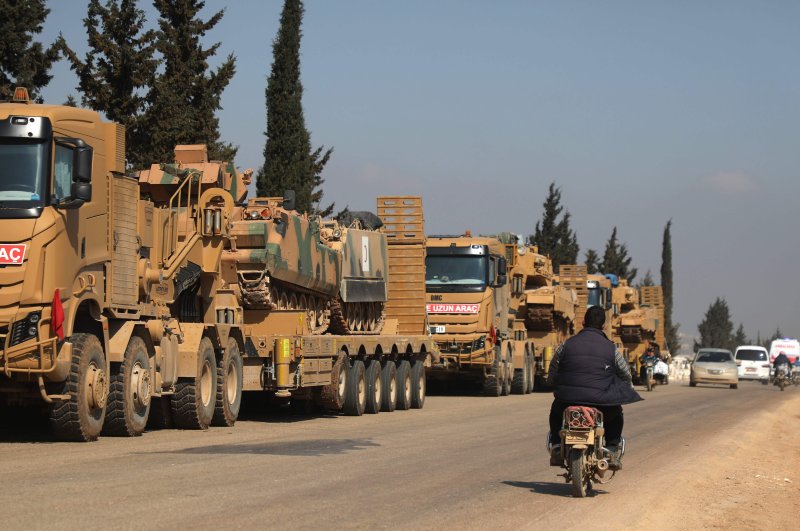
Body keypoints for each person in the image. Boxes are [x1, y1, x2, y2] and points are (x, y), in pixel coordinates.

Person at [547, 306, 642, 470]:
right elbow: (625, 374)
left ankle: (556, 446)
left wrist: (552, 382)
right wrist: (628, 387)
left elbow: (553, 368)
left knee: (556, 412)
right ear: (604, 326)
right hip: (602, 404)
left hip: (567, 401)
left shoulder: (566, 344)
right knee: (616, 414)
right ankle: (612, 449)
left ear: (583, 322)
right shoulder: (611, 349)